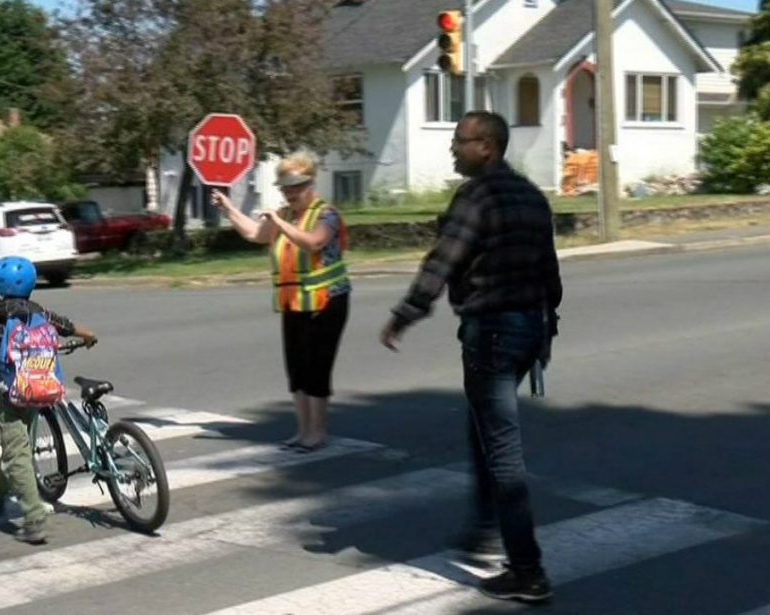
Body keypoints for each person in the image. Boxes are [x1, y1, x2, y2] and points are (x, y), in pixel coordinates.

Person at [379, 111, 561, 603]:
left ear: (488, 146)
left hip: (493, 332)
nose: (453, 149)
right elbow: (549, 269)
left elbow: (443, 259)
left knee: (502, 449)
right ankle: (483, 529)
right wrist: (548, 328)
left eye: (461, 141)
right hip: (527, 329)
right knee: (484, 430)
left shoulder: (476, 196)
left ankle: (527, 570)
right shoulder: (531, 196)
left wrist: (405, 314)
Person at [211, 151, 350, 452]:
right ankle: (302, 432)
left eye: (296, 186)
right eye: (285, 187)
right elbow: (254, 233)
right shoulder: (284, 215)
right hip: (294, 302)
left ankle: (317, 432)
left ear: (311, 184)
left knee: (317, 368)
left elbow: (313, 242)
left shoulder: (326, 214)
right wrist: (229, 208)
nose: (290, 193)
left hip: (327, 302)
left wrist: (278, 222)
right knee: (297, 368)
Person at [0, 256, 97, 544]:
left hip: (9, 390)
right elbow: (65, 325)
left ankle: (33, 517)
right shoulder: (40, 313)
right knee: (18, 447)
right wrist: (87, 335)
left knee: (17, 449)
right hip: (39, 387)